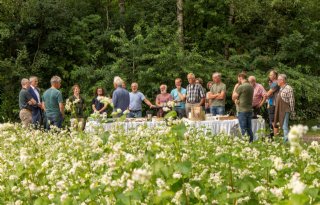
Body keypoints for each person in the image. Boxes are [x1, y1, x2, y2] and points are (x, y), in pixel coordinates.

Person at [232, 73, 254, 142]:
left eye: (238, 78)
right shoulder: (251, 86)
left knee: (243, 128)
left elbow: (233, 97)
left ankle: (245, 143)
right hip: (249, 109)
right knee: (249, 128)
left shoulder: (241, 86)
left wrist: (235, 87)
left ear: (240, 77)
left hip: (242, 110)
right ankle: (251, 142)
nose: (238, 80)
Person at [274, 74, 295, 142]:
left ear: (282, 80)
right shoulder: (281, 88)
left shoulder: (289, 88)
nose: (277, 81)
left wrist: (292, 111)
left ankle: (286, 141)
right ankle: (286, 140)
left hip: (285, 109)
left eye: (278, 80)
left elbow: (292, 101)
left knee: (284, 126)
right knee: (282, 125)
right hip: (280, 109)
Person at [265, 70, 280, 138]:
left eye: (271, 75)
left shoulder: (275, 83)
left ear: (275, 76)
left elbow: (268, 93)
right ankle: (274, 135)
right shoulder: (274, 83)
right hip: (273, 103)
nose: (269, 76)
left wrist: (265, 94)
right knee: (274, 120)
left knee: (273, 121)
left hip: (273, 104)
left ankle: (275, 137)